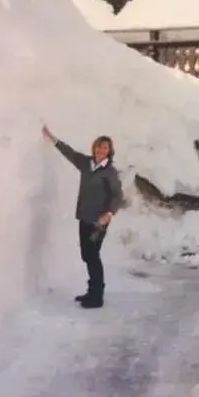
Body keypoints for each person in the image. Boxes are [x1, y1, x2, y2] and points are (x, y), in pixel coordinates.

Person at [41, 124, 124, 309]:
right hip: (85, 218)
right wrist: (52, 138)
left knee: (93, 256)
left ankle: (97, 296)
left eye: (105, 148)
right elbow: (69, 153)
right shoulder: (87, 164)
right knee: (87, 255)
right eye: (99, 146)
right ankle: (92, 291)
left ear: (109, 151)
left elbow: (117, 196)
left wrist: (109, 213)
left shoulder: (109, 172)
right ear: (94, 147)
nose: (101, 150)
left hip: (99, 221)